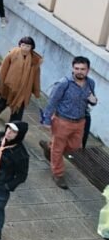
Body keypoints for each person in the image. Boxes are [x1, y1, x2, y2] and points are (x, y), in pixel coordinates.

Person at [40, 56, 97, 190]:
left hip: (80, 121)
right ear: (72, 68)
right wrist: (47, 119)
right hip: (62, 121)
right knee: (59, 148)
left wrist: (93, 100)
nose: (79, 71)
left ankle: (50, 148)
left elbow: (91, 99)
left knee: (74, 146)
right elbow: (52, 101)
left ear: (88, 70)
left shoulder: (91, 83)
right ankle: (58, 174)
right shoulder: (64, 83)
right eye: (76, 68)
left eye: (82, 69)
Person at [0, 37, 42, 122]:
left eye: (28, 46)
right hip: (8, 86)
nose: (25, 48)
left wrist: (36, 91)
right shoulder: (13, 54)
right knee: (1, 104)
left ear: (31, 47)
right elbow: (3, 69)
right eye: (23, 45)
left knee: (17, 111)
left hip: (23, 91)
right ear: (20, 45)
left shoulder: (34, 61)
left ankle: (12, 127)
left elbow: (36, 77)